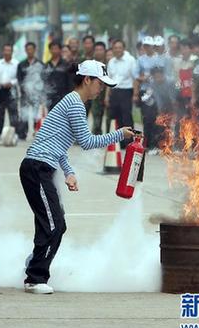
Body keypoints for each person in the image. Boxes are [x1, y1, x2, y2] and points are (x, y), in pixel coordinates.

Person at [20, 60, 135, 294]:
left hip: (41, 168)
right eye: (99, 83)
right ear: (87, 80)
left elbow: (57, 143)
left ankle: (34, 264)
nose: (101, 88)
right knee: (54, 225)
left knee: (52, 223)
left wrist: (69, 172)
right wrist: (119, 134)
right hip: (37, 168)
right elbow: (87, 142)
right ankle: (35, 277)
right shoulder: (75, 104)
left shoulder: (72, 102)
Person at [134, 36, 164, 154]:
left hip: (159, 91)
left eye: (149, 45)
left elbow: (163, 75)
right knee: (147, 118)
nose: (147, 48)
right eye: (145, 45)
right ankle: (148, 144)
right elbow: (136, 76)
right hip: (146, 92)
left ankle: (159, 144)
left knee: (159, 118)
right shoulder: (141, 60)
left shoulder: (159, 59)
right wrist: (144, 78)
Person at [106, 40, 136, 147]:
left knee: (126, 117)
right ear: (113, 49)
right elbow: (108, 80)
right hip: (114, 92)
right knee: (115, 117)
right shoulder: (111, 62)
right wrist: (107, 96)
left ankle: (129, 142)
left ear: (124, 48)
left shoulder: (130, 60)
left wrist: (135, 94)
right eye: (115, 48)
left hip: (126, 91)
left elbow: (135, 78)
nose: (117, 50)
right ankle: (117, 143)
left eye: (120, 47)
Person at [0, 44, 19, 140]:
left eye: (9, 50)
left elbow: (19, 77)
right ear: (3, 51)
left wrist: (12, 83)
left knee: (13, 112)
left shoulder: (16, 64)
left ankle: (15, 132)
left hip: (12, 90)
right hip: (1, 90)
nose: (7, 52)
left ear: (12, 52)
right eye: (5, 50)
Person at [16, 42, 44, 140]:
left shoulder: (40, 64)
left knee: (36, 115)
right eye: (28, 49)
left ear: (35, 50)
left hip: (36, 94)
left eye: (31, 49)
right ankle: (22, 133)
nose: (29, 51)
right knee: (24, 114)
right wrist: (24, 88)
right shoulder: (21, 64)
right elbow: (19, 79)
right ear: (25, 50)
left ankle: (36, 132)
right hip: (25, 94)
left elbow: (43, 78)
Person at [174, 38, 198, 137]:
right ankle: (179, 144)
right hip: (181, 95)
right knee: (180, 119)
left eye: (185, 48)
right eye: (181, 49)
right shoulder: (176, 62)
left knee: (193, 120)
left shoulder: (195, 61)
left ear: (191, 49)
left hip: (193, 95)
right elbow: (176, 80)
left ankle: (195, 144)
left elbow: (195, 80)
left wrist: (194, 96)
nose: (183, 51)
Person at [85, 41, 107, 134]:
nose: (98, 52)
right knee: (86, 113)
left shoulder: (108, 63)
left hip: (103, 93)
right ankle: (83, 135)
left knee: (100, 114)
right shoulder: (90, 63)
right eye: (96, 50)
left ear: (104, 51)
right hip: (89, 92)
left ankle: (99, 134)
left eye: (100, 49)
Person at [43, 41, 72, 111]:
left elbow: (70, 82)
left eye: (56, 48)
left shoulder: (66, 65)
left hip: (63, 97)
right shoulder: (46, 65)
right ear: (49, 50)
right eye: (52, 49)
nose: (54, 51)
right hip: (50, 98)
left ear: (60, 50)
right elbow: (44, 81)